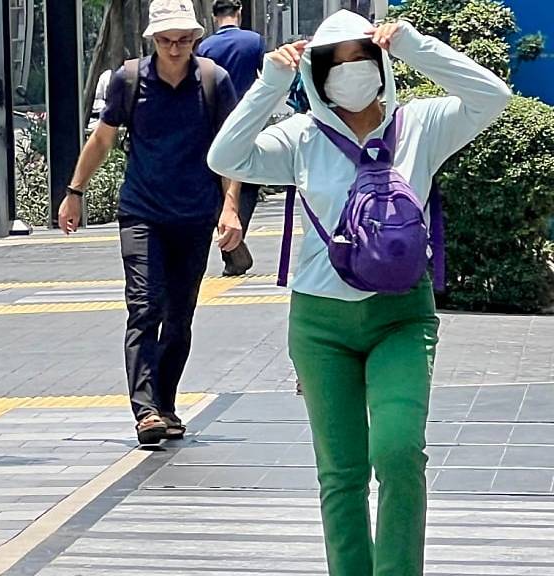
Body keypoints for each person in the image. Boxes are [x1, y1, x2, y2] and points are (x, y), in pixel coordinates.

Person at [208, 10, 510, 575]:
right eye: (335, 65)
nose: (349, 73)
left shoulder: (421, 124)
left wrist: (417, 48)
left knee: (397, 455)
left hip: (401, 316)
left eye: (360, 59)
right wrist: (271, 82)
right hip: (321, 326)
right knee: (341, 473)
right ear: (318, 78)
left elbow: (491, 96)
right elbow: (225, 158)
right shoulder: (301, 138)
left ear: (380, 66)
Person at [59, 0, 242, 445]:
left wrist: (230, 206)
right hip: (142, 212)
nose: (174, 48)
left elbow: (231, 149)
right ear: (152, 40)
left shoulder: (213, 81)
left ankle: (165, 404)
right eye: (165, 40)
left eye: (182, 40)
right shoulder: (129, 79)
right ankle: (145, 412)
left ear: (196, 38)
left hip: (195, 214)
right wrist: (75, 191)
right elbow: (103, 139)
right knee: (144, 308)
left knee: (179, 318)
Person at [197, 0, 266, 276]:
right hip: (247, 124)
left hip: (214, 126)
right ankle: (234, 243)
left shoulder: (205, 48)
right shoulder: (255, 41)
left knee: (217, 186)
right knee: (246, 187)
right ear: (238, 13)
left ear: (215, 18)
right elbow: (267, 76)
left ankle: (232, 244)